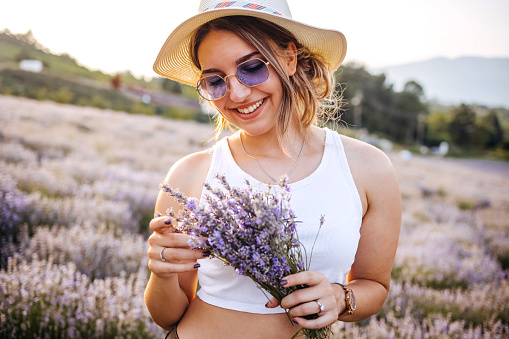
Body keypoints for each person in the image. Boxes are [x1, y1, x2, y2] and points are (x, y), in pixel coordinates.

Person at [144, 1, 402, 338]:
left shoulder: (368, 169)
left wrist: (340, 298)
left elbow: (375, 286)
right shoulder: (189, 175)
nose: (236, 93)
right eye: (215, 81)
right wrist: (161, 273)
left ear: (289, 58)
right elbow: (167, 318)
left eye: (251, 67)